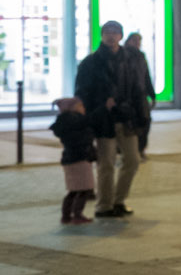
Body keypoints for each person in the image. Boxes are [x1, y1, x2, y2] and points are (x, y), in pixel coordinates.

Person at [74, 20, 140, 219]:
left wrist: (140, 113)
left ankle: (119, 200)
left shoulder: (129, 60)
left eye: (115, 32)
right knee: (106, 163)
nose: (111, 36)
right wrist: (102, 104)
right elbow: (81, 92)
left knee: (133, 160)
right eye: (107, 32)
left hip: (126, 117)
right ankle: (104, 206)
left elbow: (137, 87)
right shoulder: (91, 62)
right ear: (102, 35)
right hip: (104, 119)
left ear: (121, 36)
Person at [50, 97, 97, 225]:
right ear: (73, 108)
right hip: (80, 158)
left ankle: (66, 216)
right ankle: (77, 215)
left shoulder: (66, 122)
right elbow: (83, 138)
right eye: (81, 106)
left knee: (74, 189)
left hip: (69, 158)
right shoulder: (76, 121)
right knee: (84, 189)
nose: (84, 108)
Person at [122, 32, 157, 160]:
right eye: (135, 40)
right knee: (130, 125)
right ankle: (130, 151)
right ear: (128, 41)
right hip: (128, 97)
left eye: (139, 41)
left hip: (141, 96)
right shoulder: (122, 55)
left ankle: (141, 149)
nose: (137, 43)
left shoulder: (141, 56)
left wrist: (152, 94)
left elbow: (146, 76)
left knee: (145, 122)